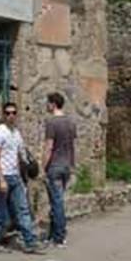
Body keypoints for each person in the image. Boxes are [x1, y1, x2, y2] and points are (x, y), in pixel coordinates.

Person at [0, 101, 45, 254]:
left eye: (13, 113)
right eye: (7, 113)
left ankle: (30, 242)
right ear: (3, 115)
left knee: (23, 209)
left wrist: (21, 176)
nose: (11, 116)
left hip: (15, 176)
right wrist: (1, 179)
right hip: (1, 176)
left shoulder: (16, 133)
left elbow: (18, 156)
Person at [42, 92, 76, 249]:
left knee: (56, 202)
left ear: (53, 104)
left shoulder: (51, 122)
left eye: (48, 103)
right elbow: (72, 146)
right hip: (66, 165)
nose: (46, 106)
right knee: (57, 200)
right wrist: (72, 165)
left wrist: (43, 166)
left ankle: (59, 237)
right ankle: (53, 234)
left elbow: (49, 146)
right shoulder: (71, 122)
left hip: (54, 165)